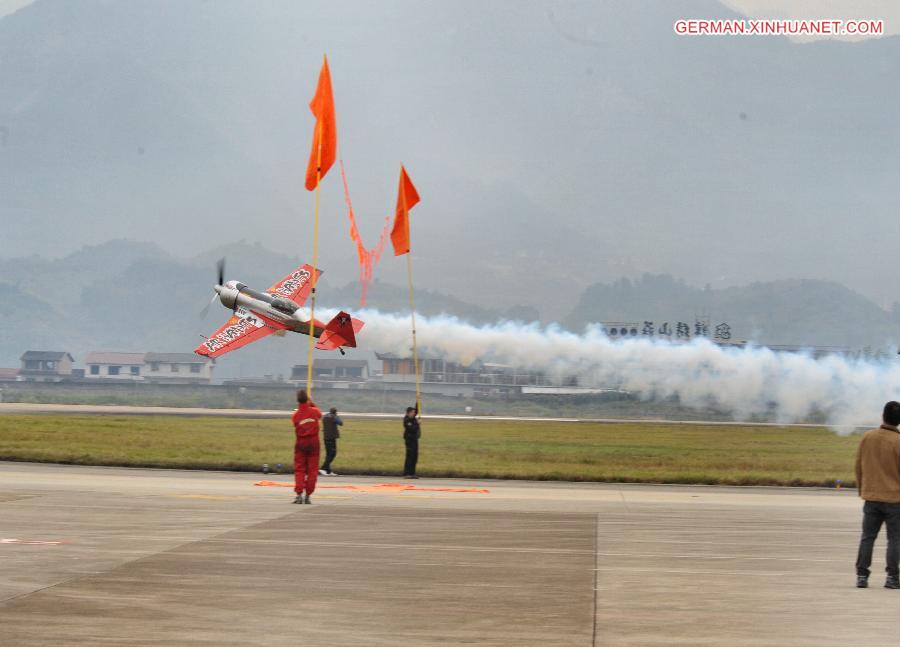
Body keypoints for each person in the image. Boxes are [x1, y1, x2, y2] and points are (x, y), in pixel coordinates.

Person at [855, 400, 900, 588]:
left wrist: (862, 490)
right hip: (895, 499)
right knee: (895, 539)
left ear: (883, 416)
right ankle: (892, 578)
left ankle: (862, 576)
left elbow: (858, 466)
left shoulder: (868, 437)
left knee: (867, 537)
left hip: (871, 497)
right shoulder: (898, 441)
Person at [292, 389, 322, 504]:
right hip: (314, 442)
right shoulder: (315, 411)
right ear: (307, 399)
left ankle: (299, 494)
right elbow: (319, 414)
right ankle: (308, 495)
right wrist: (312, 403)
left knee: (300, 469)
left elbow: (295, 423)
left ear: (298, 400)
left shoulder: (295, 415)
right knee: (312, 470)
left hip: (301, 443)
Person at [319, 407, 343, 476]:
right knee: (333, 454)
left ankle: (328, 470)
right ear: (335, 412)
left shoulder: (325, 416)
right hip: (331, 438)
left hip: (326, 437)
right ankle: (323, 468)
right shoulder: (333, 416)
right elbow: (341, 423)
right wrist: (337, 416)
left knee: (328, 454)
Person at [402, 405, 421, 479]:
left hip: (415, 439)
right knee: (410, 456)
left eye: (414, 412)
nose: (414, 413)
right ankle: (407, 473)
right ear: (408, 413)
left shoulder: (413, 418)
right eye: (412, 412)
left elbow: (417, 410)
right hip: (409, 440)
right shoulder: (407, 420)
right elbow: (412, 429)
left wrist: (418, 399)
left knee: (415, 457)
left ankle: (412, 473)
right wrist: (418, 423)